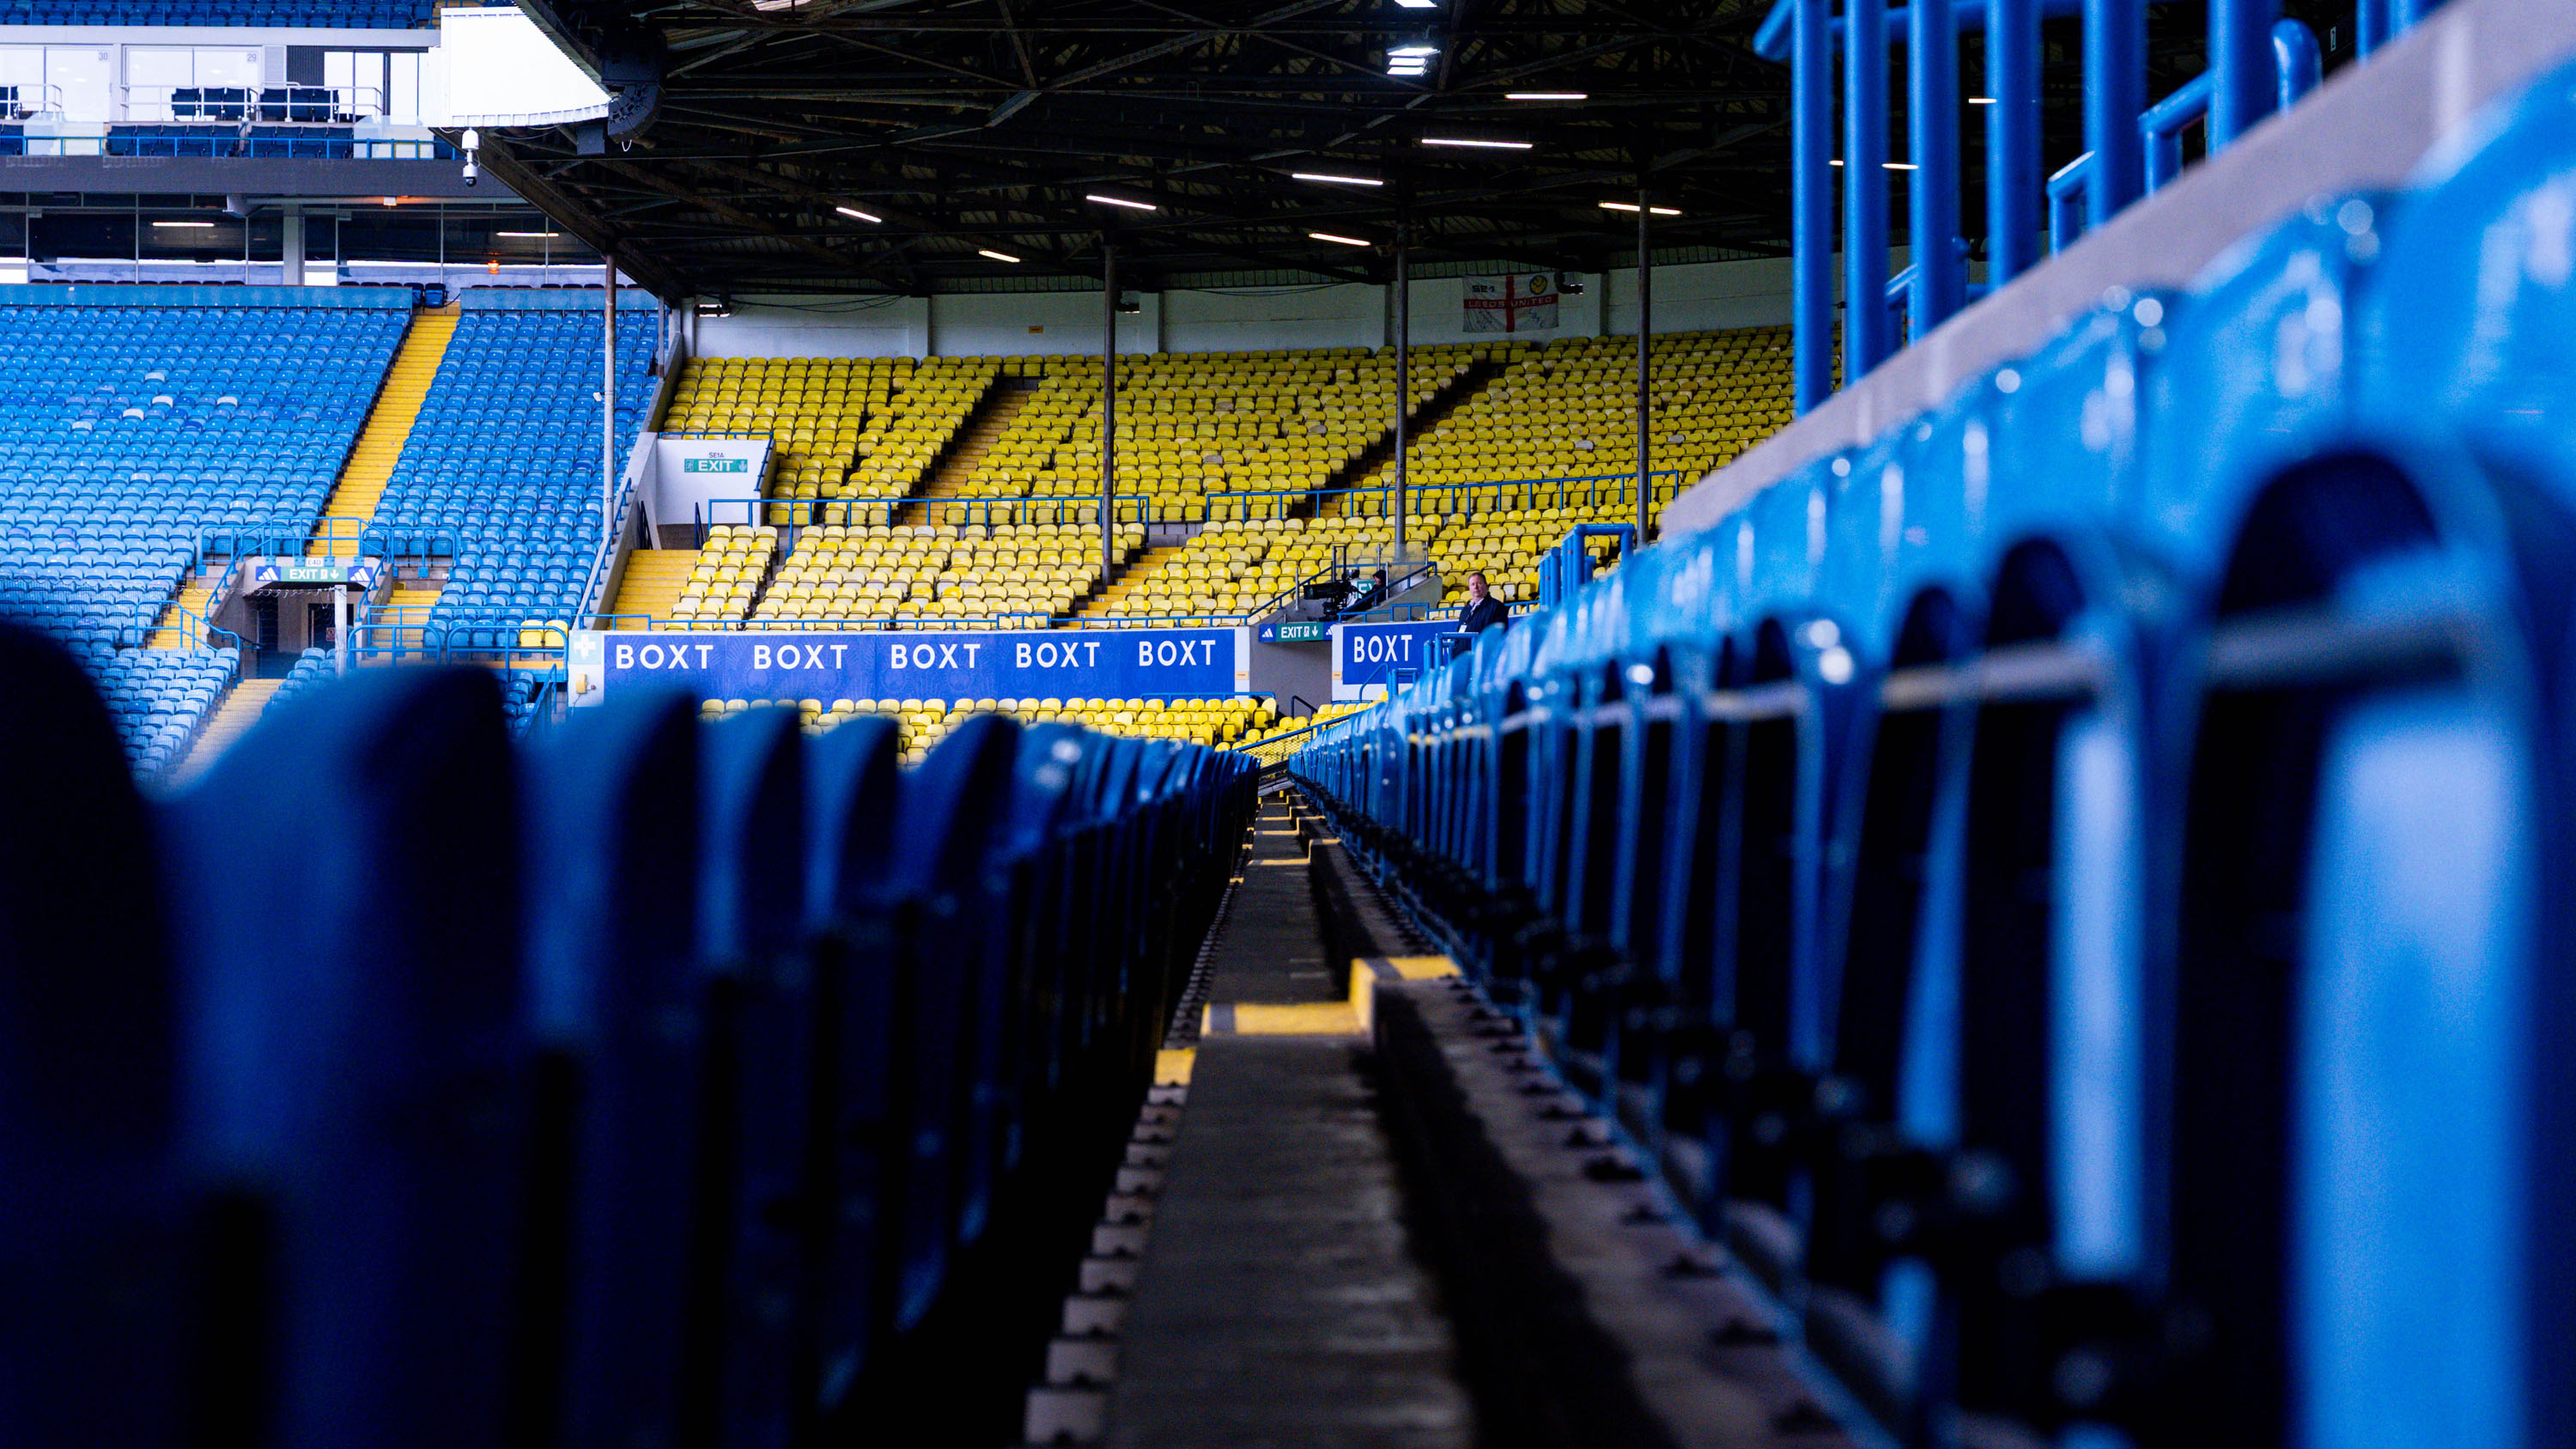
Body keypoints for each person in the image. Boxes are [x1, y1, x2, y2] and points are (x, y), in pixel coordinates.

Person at [1458, 570, 1509, 636]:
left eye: (1479, 583)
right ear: (1469, 588)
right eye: (1472, 584)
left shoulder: (1497, 607)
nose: (1475, 587)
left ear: (1486, 586)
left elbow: (1499, 635)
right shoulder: (1465, 610)